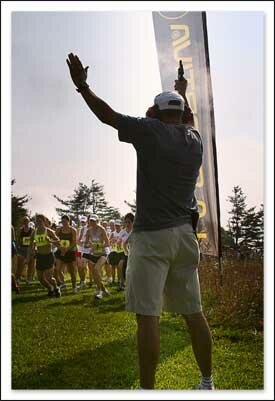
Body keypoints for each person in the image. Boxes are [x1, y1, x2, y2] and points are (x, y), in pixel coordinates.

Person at [66, 53, 214, 390]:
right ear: (181, 113)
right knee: (194, 313)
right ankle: (207, 383)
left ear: (156, 114)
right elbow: (183, 117)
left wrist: (83, 87)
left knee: (148, 318)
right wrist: (181, 91)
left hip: (151, 238)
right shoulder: (195, 140)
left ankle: (147, 392)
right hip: (185, 237)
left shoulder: (151, 132)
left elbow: (109, 116)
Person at [27, 214, 61, 297]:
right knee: (40, 279)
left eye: (40, 220)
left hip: (48, 256)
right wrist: (30, 254)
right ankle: (50, 289)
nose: (38, 222)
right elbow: (30, 244)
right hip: (40, 257)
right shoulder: (34, 232)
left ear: (44, 221)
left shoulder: (49, 231)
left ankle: (56, 288)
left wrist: (51, 241)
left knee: (49, 277)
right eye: (37, 221)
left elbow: (58, 241)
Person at [82, 214, 110, 299]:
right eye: (91, 221)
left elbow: (107, 243)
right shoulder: (88, 231)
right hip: (93, 254)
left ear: (97, 221)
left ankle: (100, 291)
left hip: (102, 254)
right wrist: (90, 246)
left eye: (94, 221)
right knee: (95, 274)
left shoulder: (102, 229)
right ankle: (103, 290)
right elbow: (85, 245)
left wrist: (98, 246)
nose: (92, 222)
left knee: (96, 269)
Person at [55, 215, 78, 293]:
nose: (64, 223)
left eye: (65, 221)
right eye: (62, 221)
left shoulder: (73, 230)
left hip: (70, 252)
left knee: (72, 271)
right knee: (57, 269)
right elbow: (54, 239)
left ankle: (74, 287)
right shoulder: (58, 230)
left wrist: (67, 249)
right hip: (60, 251)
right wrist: (59, 247)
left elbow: (74, 242)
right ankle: (62, 283)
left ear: (69, 221)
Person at [16, 216, 35, 285]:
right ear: (23, 222)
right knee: (20, 264)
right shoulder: (21, 230)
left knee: (30, 265)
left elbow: (34, 240)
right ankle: (17, 278)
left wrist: (33, 248)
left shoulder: (32, 230)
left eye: (27, 221)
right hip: (22, 249)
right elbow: (19, 239)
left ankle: (28, 279)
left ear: (29, 221)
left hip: (30, 248)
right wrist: (17, 247)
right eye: (24, 221)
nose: (26, 222)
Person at [76, 215, 89, 289]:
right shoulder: (80, 229)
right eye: (82, 222)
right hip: (79, 249)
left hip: (86, 250)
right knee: (79, 266)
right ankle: (82, 280)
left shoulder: (90, 229)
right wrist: (80, 242)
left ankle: (83, 281)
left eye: (84, 222)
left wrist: (83, 242)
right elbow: (78, 240)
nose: (83, 223)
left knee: (83, 267)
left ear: (87, 222)